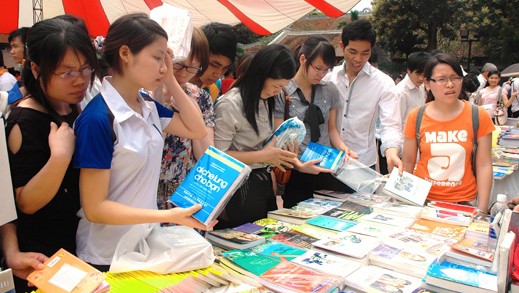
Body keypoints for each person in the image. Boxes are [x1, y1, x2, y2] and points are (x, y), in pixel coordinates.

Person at [73, 13, 211, 271]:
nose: (164, 65)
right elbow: (95, 208)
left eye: (166, 59)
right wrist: (166, 215)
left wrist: (170, 78)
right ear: (125, 53)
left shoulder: (147, 106)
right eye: (158, 57)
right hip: (104, 255)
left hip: (142, 242)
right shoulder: (99, 118)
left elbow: (197, 129)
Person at [4, 18, 99, 292]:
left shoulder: (71, 108)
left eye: (85, 68)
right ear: (35, 69)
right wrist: (59, 158)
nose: (80, 80)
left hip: (77, 248)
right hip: (42, 259)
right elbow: (25, 202)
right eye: (67, 72)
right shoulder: (24, 121)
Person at [213, 44, 298, 229]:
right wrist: (264, 156)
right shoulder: (230, 104)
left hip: (262, 183)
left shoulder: (265, 99)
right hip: (238, 189)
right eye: (276, 86)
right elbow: (217, 156)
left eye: (282, 87)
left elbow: (265, 146)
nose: (278, 92)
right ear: (261, 74)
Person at [402, 53, 494, 213]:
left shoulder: (478, 116)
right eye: (442, 79)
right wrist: (404, 202)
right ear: (428, 84)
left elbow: (484, 164)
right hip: (424, 202)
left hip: (464, 202)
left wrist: (482, 209)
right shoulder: (415, 116)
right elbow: (409, 162)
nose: (450, 84)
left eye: (455, 78)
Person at [274, 36, 355, 208]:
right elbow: (278, 140)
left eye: (326, 70)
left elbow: (332, 130)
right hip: (297, 171)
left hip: (326, 166)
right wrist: (300, 165)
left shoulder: (329, 90)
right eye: (318, 68)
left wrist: (344, 149)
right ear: (303, 59)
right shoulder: (282, 92)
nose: (321, 74)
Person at [322, 20, 403, 173]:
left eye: (365, 53)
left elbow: (390, 125)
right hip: (328, 161)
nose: (358, 59)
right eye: (352, 52)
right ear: (342, 46)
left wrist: (391, 151)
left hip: (362, 164)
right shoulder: (328, 78)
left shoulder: (383, 83)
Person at [157, 27, 213, 210]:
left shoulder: (200, 96)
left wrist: (187, 105)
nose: (183, 73)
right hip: (148, 194)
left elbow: (205, 153)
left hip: (185, 194)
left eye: (193, 68)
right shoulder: (144, 94)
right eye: (179, 64)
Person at [190, 22, 237, 101]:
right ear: (197, 52)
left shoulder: (214, 86)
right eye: (213, 65)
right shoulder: (171, 75)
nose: (218, 74)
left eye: (225, 68)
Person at [396, 51, 433, 125]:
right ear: (409, 70)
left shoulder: (422, 87)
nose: (421, 78)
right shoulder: (400, 92)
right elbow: (395, 123)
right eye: (418, 74)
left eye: (424, 75)